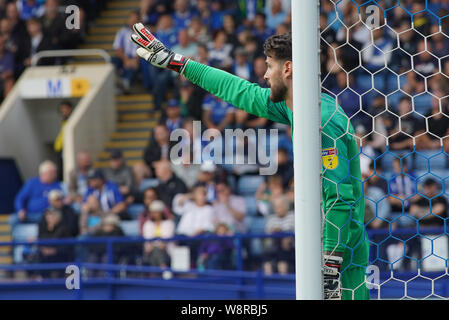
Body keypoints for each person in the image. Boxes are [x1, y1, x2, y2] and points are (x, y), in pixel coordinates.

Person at [131, 26, 369, 300]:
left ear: (288, 68)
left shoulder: (324, 119)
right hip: (329, 250)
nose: (265, 75)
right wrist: (177, 62)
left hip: (341, 258)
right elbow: (237, 90)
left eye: (269, 67)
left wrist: (329, 267)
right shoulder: (296, 105)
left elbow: (340, 197)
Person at [11, 160, 62, 231]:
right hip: (29, 214)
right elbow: (20, 198)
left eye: (55, 172)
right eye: (52, 172)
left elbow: (58, 202)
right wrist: (20, 210)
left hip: (45, 215)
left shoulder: (57, 185)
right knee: (13, 219)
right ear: (43, 173)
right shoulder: (32, 183)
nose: (55, 174)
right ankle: (14, 241)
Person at [142, 200, 175, 268]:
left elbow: (166, 239)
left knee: (157, 251)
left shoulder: (169, 223)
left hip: (166, 251)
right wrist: (157, 244)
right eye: (153, 212)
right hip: (150, 251)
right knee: (156, 251)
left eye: (157, 212)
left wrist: (155, 244)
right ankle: (163, 268)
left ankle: (155, 274)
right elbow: (148, 240)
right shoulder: (147, 224)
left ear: (161, 212)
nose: (155, 214)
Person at [53, 100, 74, 181]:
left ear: (70, 109)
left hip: (67, 148)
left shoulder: (71, 119)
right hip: (61, 149)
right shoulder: (64, 120)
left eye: (65, 108)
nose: (63, 111)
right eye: (62, 109)